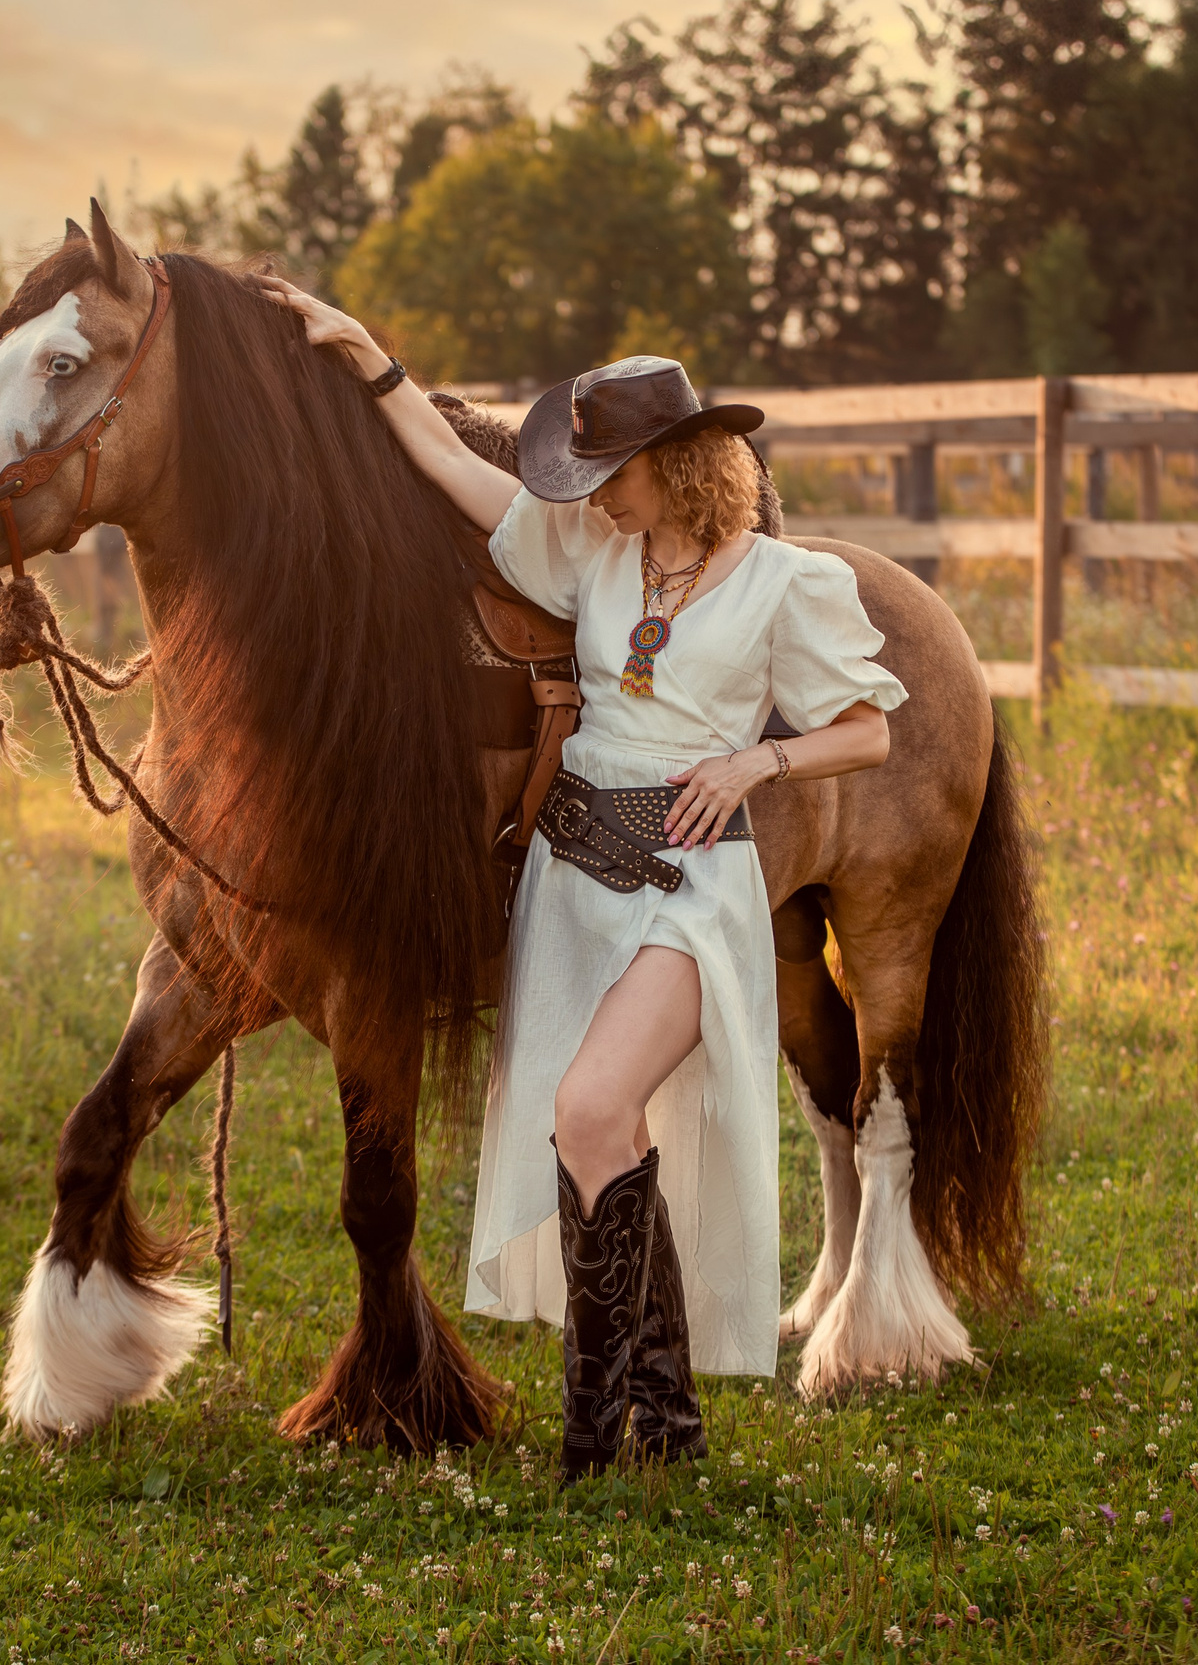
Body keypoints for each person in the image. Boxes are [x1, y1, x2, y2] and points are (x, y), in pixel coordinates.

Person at [264, 282, 907, 1480]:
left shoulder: (782, 581)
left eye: (612, 469)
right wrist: (373, 365)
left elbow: (867, 729)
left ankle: (589, 1432)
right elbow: (470, 483)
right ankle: (655, 1423)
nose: (592, 489)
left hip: (686, 883)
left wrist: (759, 756)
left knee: (592, 1102)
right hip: (573, 876)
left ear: (678, 462)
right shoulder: (594, 553)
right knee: (591, 1121)